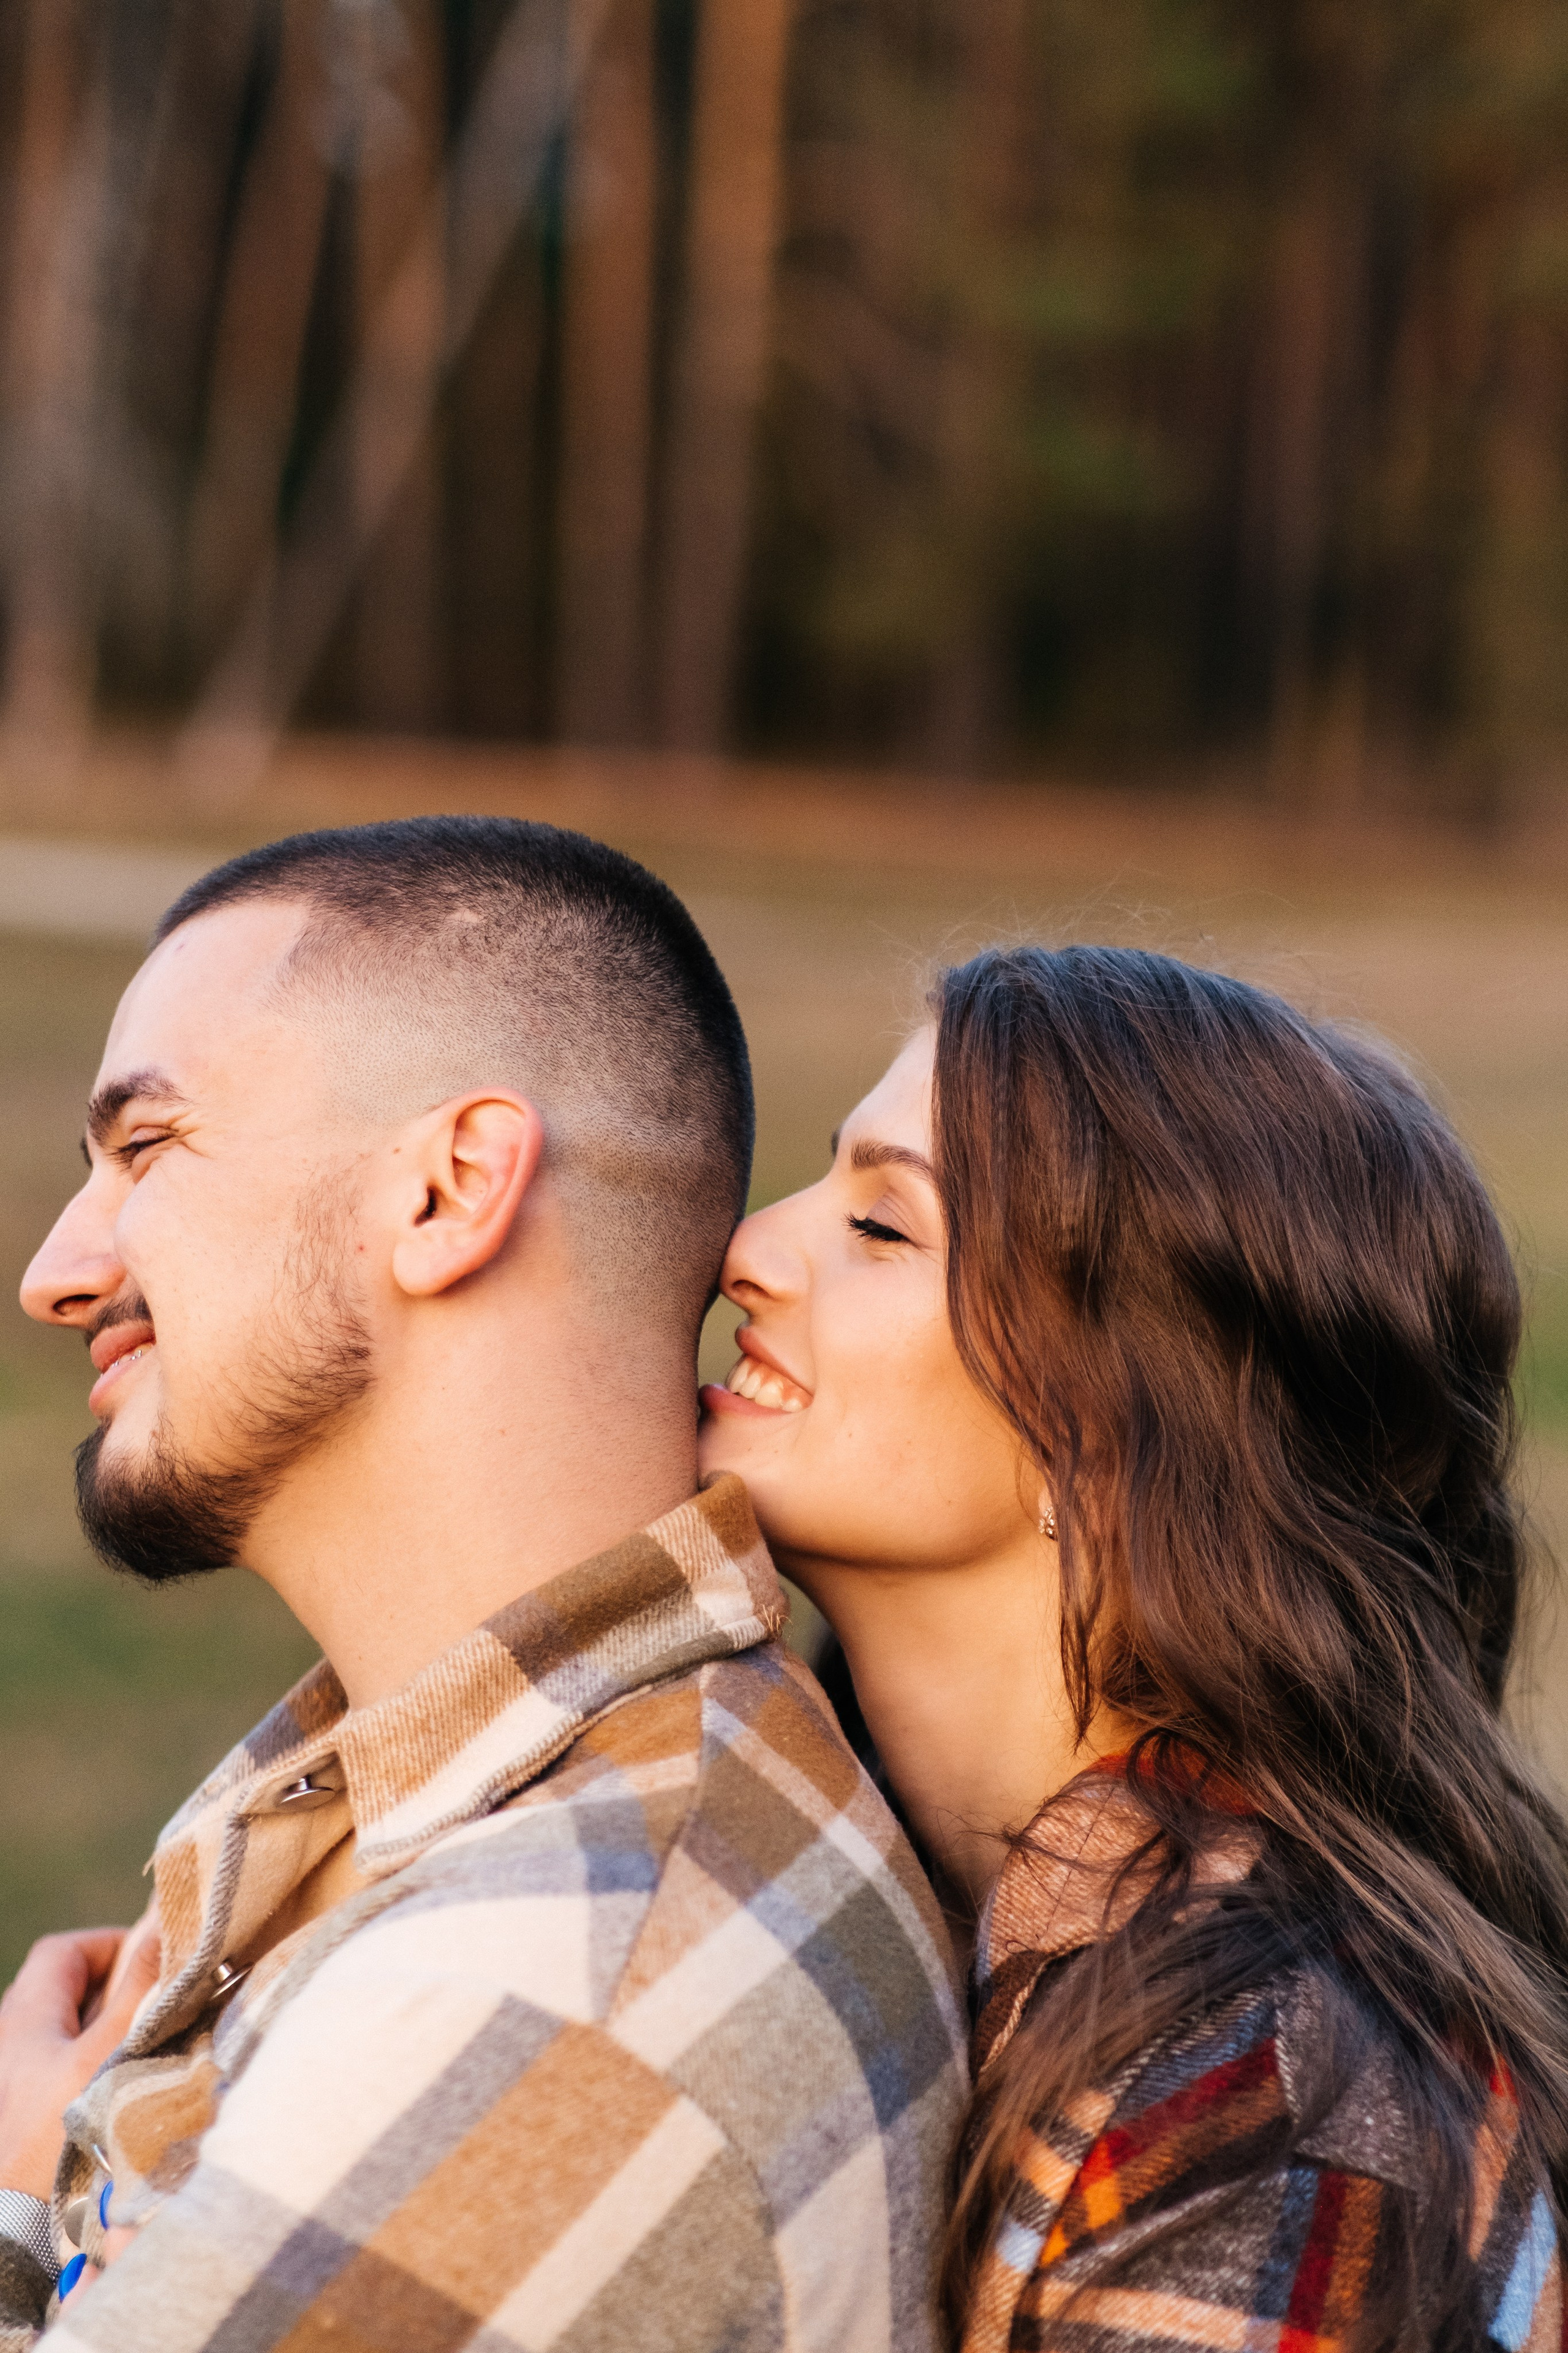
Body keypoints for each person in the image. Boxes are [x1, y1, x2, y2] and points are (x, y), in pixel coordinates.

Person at [0, 816, 967, 2351]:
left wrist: (17, 2206)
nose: (55, 1273)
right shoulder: (469, 1794)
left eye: (150, 1146)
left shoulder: (543, 1990)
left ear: (451, 1190)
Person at [699, 943, 1568, 2352]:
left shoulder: (1269, 2122)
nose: (745, 1248)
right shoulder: (833, 1856)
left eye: (880, 1226)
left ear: (1104, 1442)